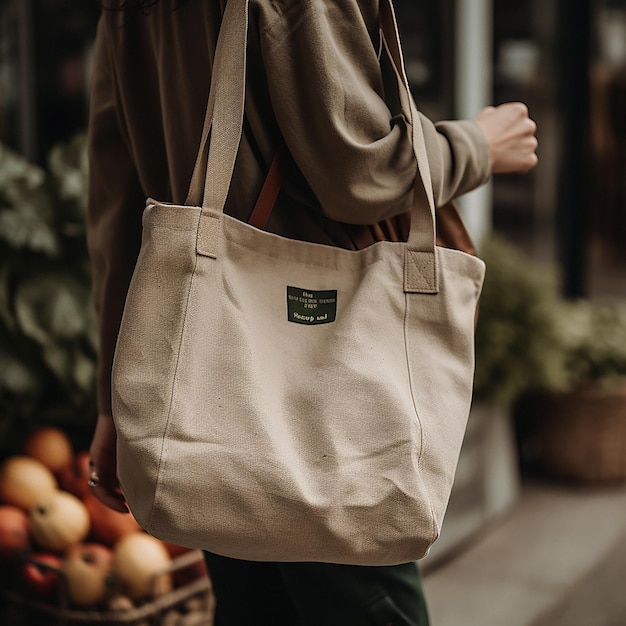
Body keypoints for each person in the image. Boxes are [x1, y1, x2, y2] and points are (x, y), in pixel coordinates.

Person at [86, 0, 538, 624]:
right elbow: (357, 170)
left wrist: (113, 396)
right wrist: (478, 145)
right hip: (332, 396)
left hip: (209, 380)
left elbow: (118, 198)